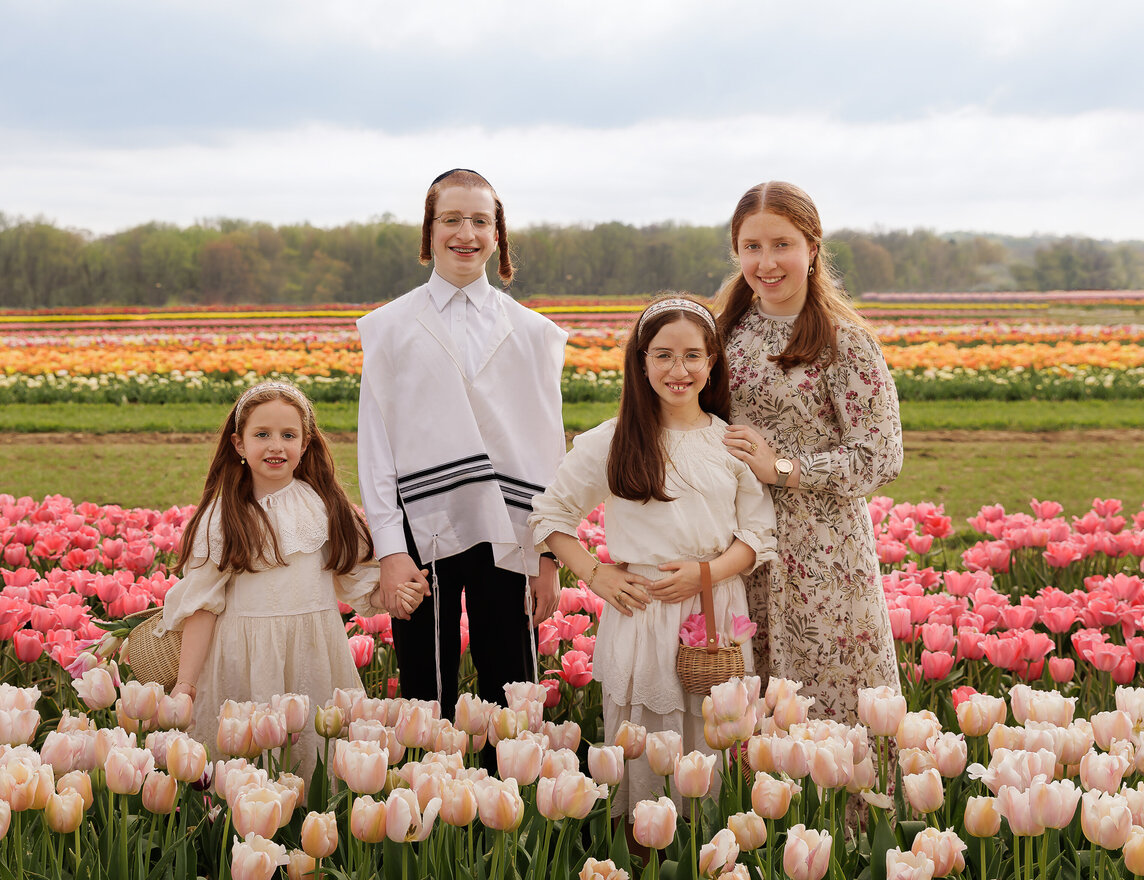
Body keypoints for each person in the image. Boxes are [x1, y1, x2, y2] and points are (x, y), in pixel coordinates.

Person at [530, 295, 776, 818]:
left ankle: (713, 855)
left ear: (712, 363)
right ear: (641, 362)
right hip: (640, 611)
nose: (678, 369)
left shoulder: (730, 443)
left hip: (714, 611)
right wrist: (595, 575)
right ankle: (643, 849)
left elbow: (759, 534)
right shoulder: (613, 440)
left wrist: (705, 574)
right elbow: (549, 516)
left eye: (692, 355)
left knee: (715, 747)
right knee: (646, 749)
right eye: (662, 355)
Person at [357, 169, 566, 723]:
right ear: (428, 233)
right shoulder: (389, 328)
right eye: (451, 219)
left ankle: (507, 803)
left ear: (498, 235)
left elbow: (548, 448)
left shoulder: (534, 333)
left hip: (508, 523)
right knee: (427, 693)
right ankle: (429, 801)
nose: (465, 233)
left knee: (511, 689)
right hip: (421, 525)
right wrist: (389, 548)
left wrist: (547, 555)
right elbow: (376, 446)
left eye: (480, 220)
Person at [717, 181, 903, 724]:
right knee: (747, 711)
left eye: (782, 245)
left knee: (829, 712)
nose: (766, 262)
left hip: (823, 555)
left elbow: (880, 456)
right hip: (740, 547)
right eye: (751, 246)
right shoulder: (726, 332)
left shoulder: (844, 341)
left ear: (813, 248)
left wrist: (784, 468)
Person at [162, 380, 383, 781]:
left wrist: (398, 591)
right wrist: (186, 685)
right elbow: (202, 606)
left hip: (314, 657)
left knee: (319, 764)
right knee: (246, 772)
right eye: (261, 434)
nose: (275, 445)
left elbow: (360, 580)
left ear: (306, 443)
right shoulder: (223, 516)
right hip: (243, 659)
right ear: (239, 444)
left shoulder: (326, 506)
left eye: (288, 435)